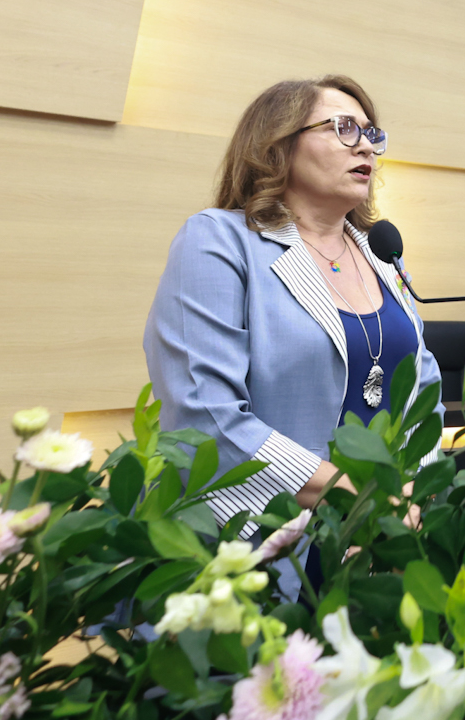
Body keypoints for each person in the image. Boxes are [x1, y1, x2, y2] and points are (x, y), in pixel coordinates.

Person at [143, 76, 443, 529]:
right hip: (260, 538)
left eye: (371, 133)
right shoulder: (220, 240)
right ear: (278, 145)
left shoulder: (382, 255)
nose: (365, 147)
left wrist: (412, 499)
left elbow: (426, 393)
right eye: (344, 128)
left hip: (383, 543)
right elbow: (206, 417)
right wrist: (365, 498)